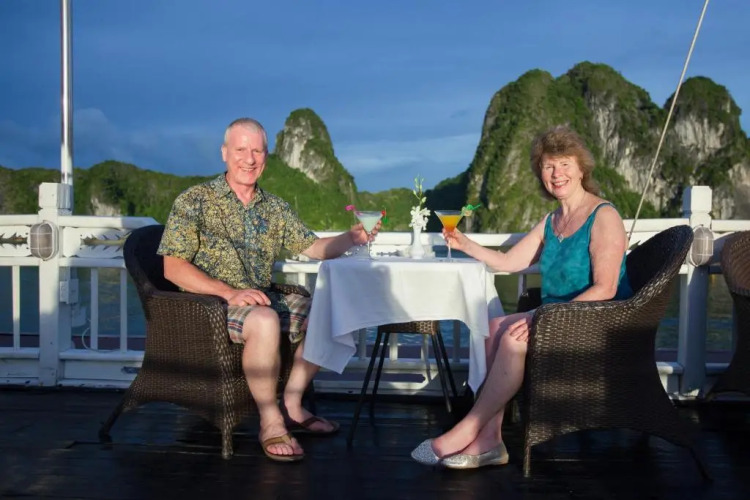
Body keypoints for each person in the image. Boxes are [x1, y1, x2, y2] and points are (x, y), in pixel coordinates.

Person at [411, 124, 633, 469]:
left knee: (513, 340)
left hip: (596, 322)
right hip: (557, 316)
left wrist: (541, 317)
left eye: (565, 164)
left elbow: (605, 288)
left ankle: (466, 429)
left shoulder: (603, 215)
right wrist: (464, 243)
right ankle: (490, 440)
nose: (556, 173)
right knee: (493, 329)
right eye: (548, 166)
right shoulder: (553, 220)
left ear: (581, 169)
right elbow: (509, 262)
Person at [158, 117, 377, 463]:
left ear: (266, 156)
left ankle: (292, 403)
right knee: (264, 319)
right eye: (241, 150)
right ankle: (270, 419)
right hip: (208, 306)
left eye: (257, 151)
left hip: (258, 298)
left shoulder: (274, 208)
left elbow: (315, 248)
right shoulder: (194, 200)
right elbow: (173, 267)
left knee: (331, 311)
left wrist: (352, 237)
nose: (249, 159)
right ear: (224, 153)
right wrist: (229, 293)